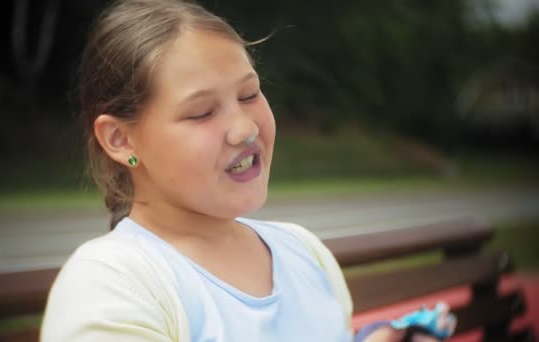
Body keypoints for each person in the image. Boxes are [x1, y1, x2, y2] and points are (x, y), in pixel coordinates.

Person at [41, 1, 455, 341]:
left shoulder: (304, 251)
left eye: (249, 93)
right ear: (120, 139)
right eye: (201, 112)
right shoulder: (110, 284)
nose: (245, 127)